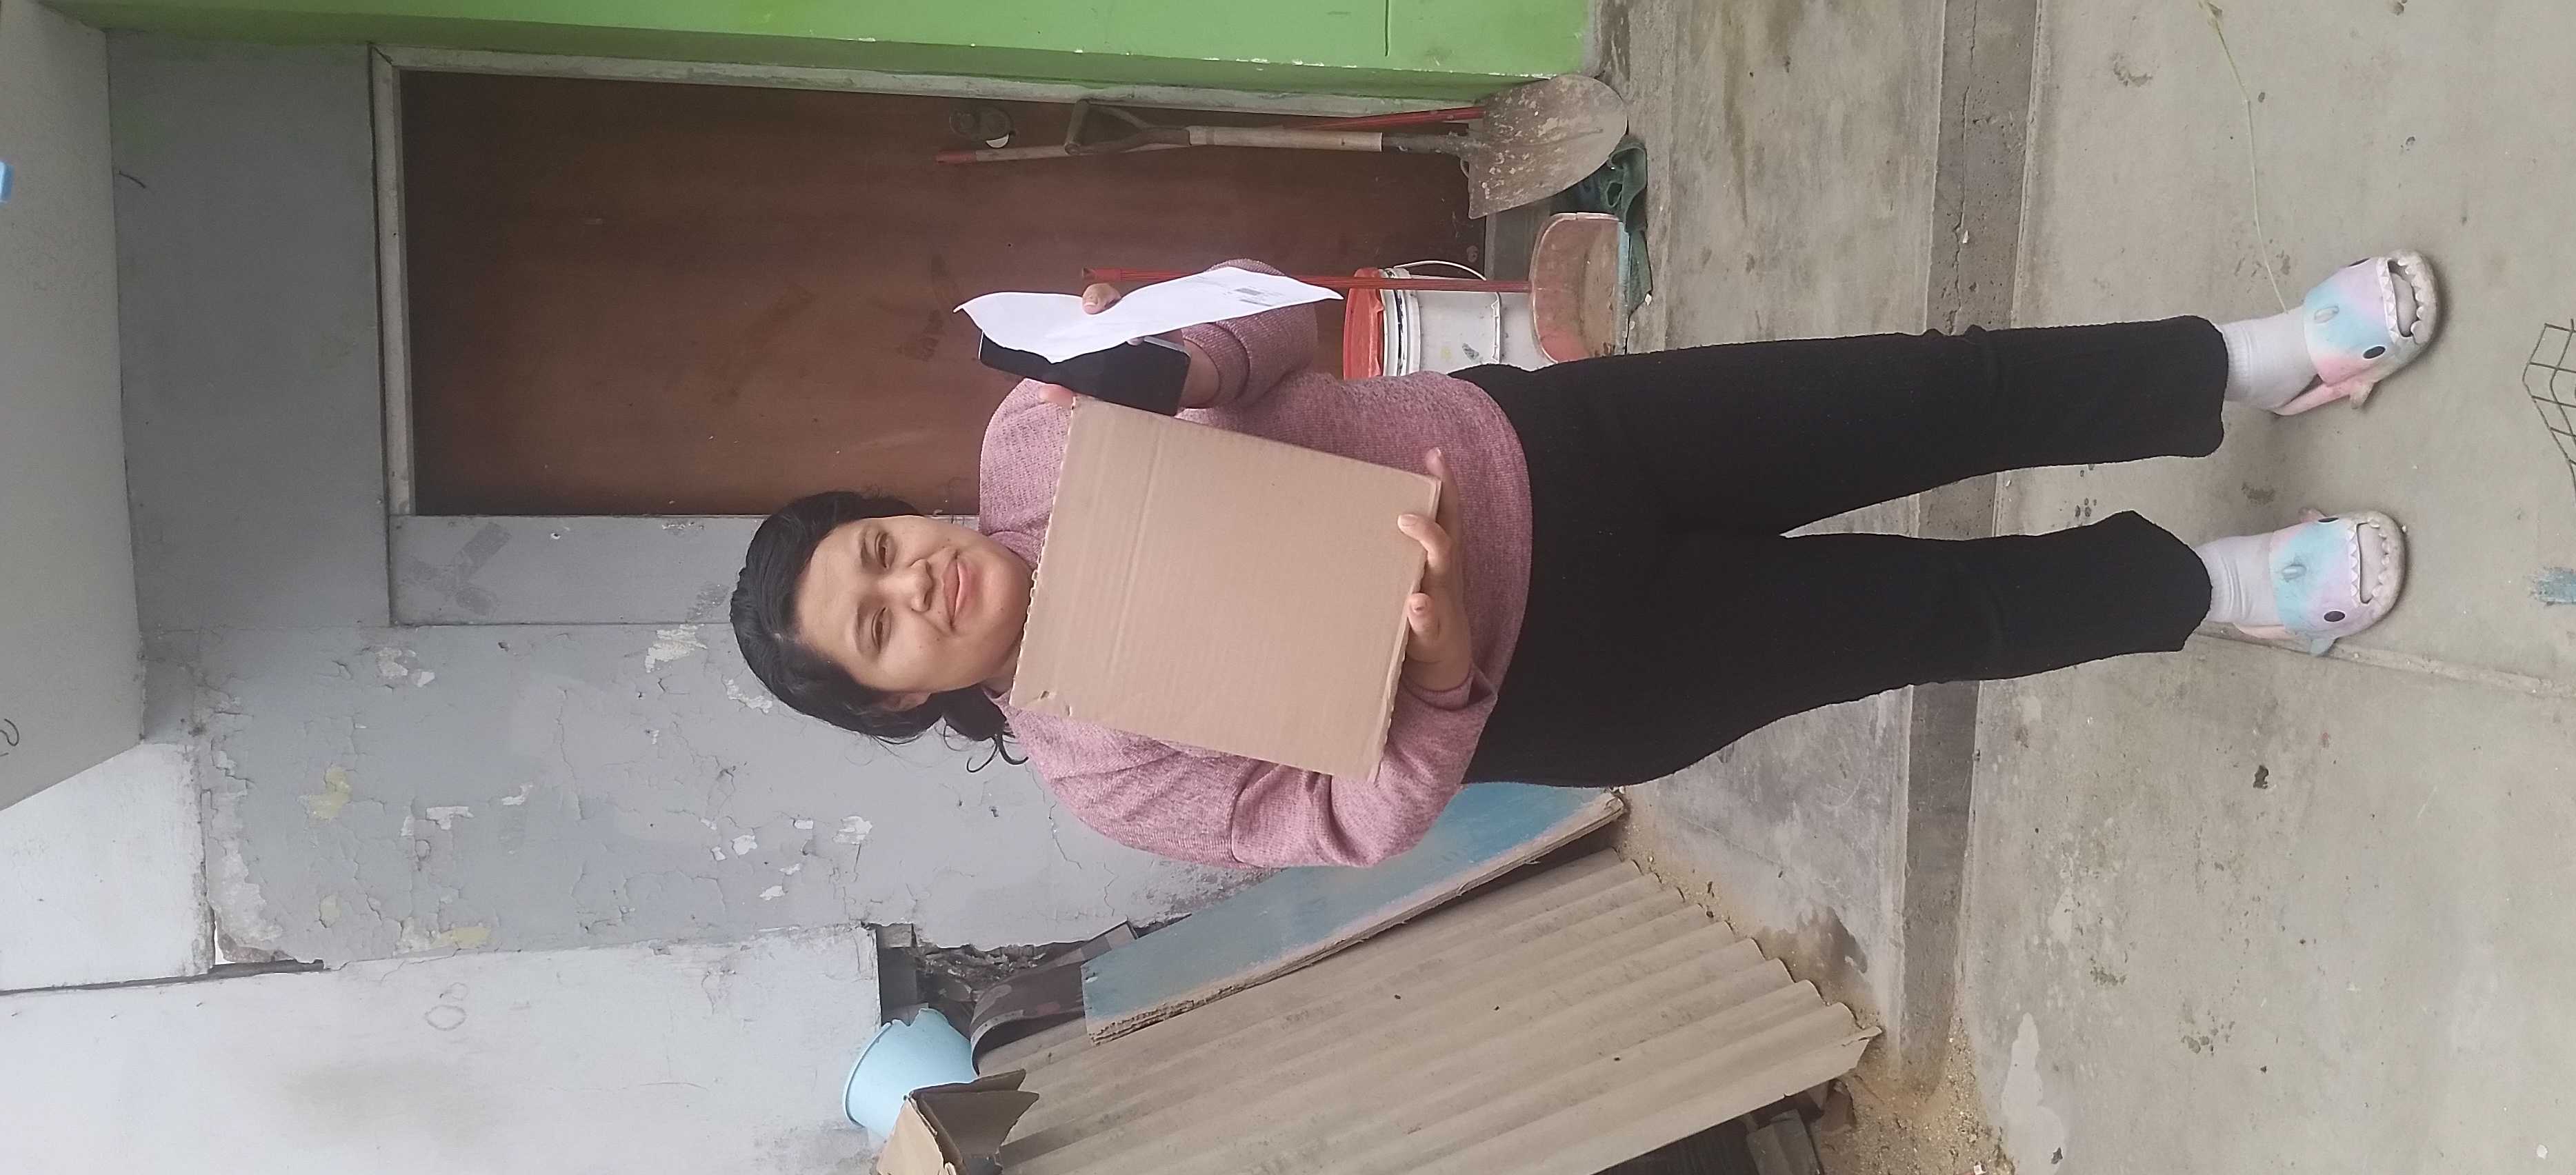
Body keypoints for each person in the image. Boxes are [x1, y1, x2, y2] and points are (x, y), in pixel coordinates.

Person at [730, 255, 2438, 869]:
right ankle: (2223, 591)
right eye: (878, 630)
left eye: (880, 551)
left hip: (1567, 445)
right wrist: (1441, 666)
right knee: (1935, 614)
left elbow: (1278, 326)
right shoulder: (1100, 766)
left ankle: (2249, 358)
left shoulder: (1039, 433)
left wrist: (1161, 362)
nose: (913, 586)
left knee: (1924, 392)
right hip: (1586, 673)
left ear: (905, 514)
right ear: (901, 704)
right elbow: (1342, 824)